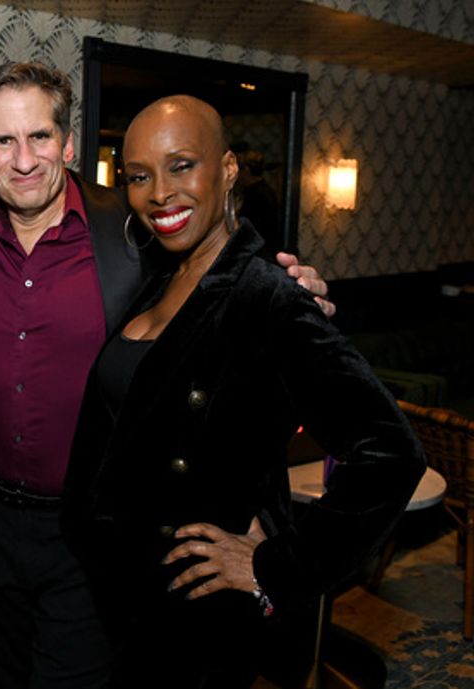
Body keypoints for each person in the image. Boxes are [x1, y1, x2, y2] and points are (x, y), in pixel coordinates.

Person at [0, 63, 332, 689]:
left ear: (67, 143)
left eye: (39, 136)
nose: (24, 158)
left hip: (99, 530)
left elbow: (220, 300)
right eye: (3, 141)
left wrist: (286, 293)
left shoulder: (131, 234)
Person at [61, 95, 424, 687]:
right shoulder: (162, 275)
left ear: (227, 169)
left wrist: (275, 566)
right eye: (139, 176)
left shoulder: (269, 297)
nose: (159, 193)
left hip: (198, 616)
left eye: (181, 166)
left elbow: (391, 452)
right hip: (125, 597)